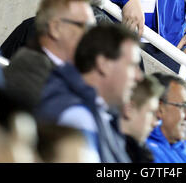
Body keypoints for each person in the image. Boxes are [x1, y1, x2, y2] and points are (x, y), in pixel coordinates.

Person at [36, 23, 142, 163]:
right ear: (103, 64)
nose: (139, 76)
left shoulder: (99, 113)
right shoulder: (77, 116)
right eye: (132, 65)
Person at [1, 0, 96, 112]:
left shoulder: (67, 77)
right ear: (55, 28)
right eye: (86, 26)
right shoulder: (30, 74)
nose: (91, 36)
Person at [120, 74, 164, 162]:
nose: (155, 123)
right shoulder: (97, 145)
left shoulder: (143, 155)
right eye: (151, 113)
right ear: (129, 109)